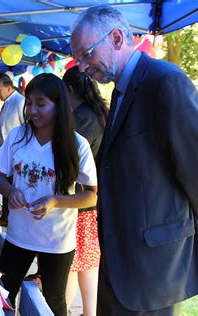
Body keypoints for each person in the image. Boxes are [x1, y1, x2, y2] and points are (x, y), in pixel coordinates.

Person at [71, 5, 198, 315]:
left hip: (153, 271)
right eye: (79, 58)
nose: (82, 67)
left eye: (86, 54)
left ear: (117, 38)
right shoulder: (121, 89)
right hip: (119, 262)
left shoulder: (164, 82)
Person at [0, 73, 97, 315]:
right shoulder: (18, 136)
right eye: (29, 103)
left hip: (57, 240)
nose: (33, 110)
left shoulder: (76, 144)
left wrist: (55, 201)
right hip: (19, 235)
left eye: (41, 104)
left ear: (59, 104)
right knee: (4, 293)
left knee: (54, 302)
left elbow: (91, 195)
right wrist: (11, 191)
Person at [63, 65, 108, 316]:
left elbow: (67, 159)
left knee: (69, 263)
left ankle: (64, 311)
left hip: (80, 201)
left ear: (70, 90)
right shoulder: (99, 112)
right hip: (93, 203)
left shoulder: (82, 118)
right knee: (87, 263)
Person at [0, 75, 25, 226]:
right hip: (7, 150)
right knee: (4, 180)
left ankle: (7, 216)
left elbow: (25, 124)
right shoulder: (7, 102)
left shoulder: (20, 101)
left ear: (8, 88)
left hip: (17, 151)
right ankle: (5, 212)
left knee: (10, 182)